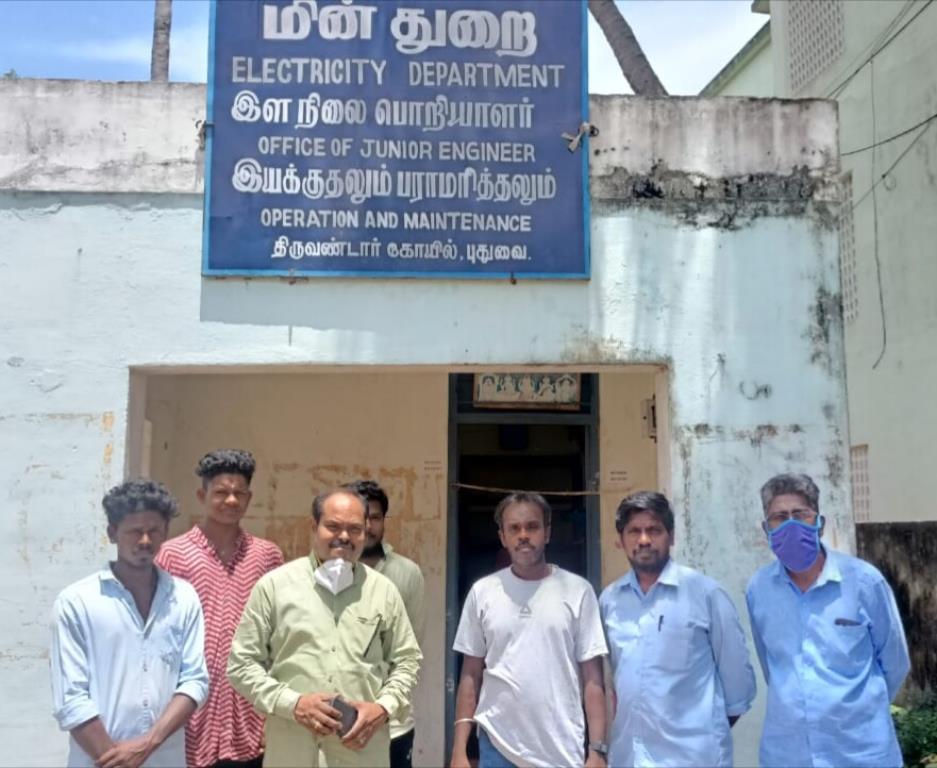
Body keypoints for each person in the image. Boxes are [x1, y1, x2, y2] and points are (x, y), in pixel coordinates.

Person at [227, 488, 422, 768]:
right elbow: (241, 665)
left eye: (354, 529)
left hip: (362, 754)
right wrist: (293, 704)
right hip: (291, 753)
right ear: (314, 526)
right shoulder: (274, 587)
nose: (344, 536)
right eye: (333, 526)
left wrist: (383, 707)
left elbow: (408, 660)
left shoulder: (383, 592)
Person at [746, 473, 910, 768]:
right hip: (788, 755)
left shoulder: (863, 582)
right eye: (779, 517)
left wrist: (855, 711)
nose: (790, 525)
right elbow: (773, 665)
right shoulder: (759, 589)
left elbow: (895, 662)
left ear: (819, 523)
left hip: (860, 754)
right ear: (765, 528)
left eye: (800, 515)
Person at [50, 479, 209, 768]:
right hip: (98, 761)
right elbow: (71, 700)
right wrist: (118, 761)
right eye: (135, 531)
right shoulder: (77, 602)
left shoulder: (184, 597)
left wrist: (146, 745)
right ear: (112, 533)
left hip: (165, 759)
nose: (145, 541)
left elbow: (195, 680)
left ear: (166, 533)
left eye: (154, 531)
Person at [450, 492, 608, 768]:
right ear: (502, 537)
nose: (523, 535)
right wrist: (459, 749)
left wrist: (597, 751)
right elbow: (471, 674)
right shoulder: (483, 592)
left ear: (547, 533)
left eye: (532, 527)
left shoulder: (578, 591)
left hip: (561, 749)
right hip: (498, 746)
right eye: (514, 528)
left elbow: (592, 678)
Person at [600, 491, 755, 768]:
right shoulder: (610, 600)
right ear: (620, 540)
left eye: (654, 530)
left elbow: (737, 685)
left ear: (671, 536)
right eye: (634, 531)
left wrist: (698, 734)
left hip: (693, 759)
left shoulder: (705, 594)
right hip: (629, 758)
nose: (644, 540)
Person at [156, 449, 284, 768]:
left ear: (249, 498)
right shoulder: (171, 556)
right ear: (202, 496)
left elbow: (281, 636)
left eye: (239, 493)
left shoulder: (267, 557)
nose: (231, 500)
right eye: (221, 492)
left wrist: (273, 714)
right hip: (188, 717)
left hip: (250, 717)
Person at [344, 480, 425, 768]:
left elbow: (410, 652)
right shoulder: (323, 573)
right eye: (360, 518)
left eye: (375, 518)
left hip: (393, 724)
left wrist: (383, 706)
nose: (367, 526)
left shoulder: (406, 573)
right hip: (338, 722)